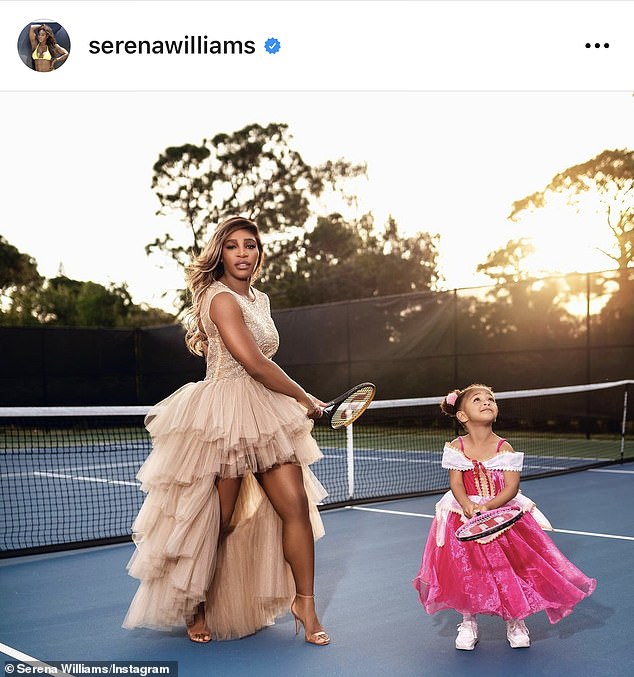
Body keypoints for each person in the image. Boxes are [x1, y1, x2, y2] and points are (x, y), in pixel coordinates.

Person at [123, 216, 330, 646]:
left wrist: (291, 398)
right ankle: (196, 604)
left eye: (250, 245)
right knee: (216, 521)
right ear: (221, 253)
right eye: (233, 245)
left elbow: (262, 365)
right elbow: (253, 362)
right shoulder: (217, 299)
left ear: (258, 253)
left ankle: (305, 604)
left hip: (264, 413)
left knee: (296, 508)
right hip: (222, 414)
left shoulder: (262, 299)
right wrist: (305, 398)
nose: (242, 253)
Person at [413, 384, 595, 650]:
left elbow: (510, 487)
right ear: (462, 416)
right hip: (461, 516)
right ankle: (468, 621)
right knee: (467, 570)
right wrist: (467, 505)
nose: (487, 402)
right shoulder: (456, 446)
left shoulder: (504, 446)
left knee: (512, 569)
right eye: (478, 400)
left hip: (504, 514)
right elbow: (457, 483)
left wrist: (489, 508)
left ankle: (515, 620)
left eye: (491, 399)